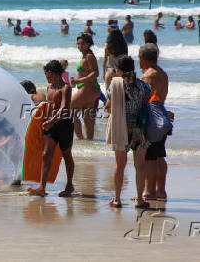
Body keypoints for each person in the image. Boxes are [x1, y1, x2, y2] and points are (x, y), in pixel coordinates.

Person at [105, 55, 151, 208]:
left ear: (119, 70)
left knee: (120, 165)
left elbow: (108, 104)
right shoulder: (143, 85)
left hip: (121, 127)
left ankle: (117, 199)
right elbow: (148, 98)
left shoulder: (115, 85)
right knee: (140, 165)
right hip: (138, 128)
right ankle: (139, 199)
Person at [27, 60, 75, 197]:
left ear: (52, 73)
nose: (46, 77)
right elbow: (49, 106)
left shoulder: (66, 88)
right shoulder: (49, 87)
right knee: (46, 154)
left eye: (47, 74)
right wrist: (41, 119)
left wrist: (52, 121)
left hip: (64, 125)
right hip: (50, 125)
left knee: (66, 155)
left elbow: (64, 108)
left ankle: (69, 185)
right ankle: (42, 187)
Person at [139, 43, 171, 201]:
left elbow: (143, 100)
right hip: (162, 116)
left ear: (143, 58)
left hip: (151, 119)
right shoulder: (163, 73)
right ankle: (160, 190)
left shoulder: (148, 75)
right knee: (159, 155)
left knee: (150, 157)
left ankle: (149, 191)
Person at [71, 33, 100, 140]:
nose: (79, 46)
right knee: (87, 118)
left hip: (87, 88)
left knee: (69, 111)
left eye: (82, 44)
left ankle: (80, 138)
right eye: (78, 44)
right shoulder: (86, 56)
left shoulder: (89, 56)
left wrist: (78, 80)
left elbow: (95, 73)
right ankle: (89, 142)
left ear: (88, 44)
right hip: (90, 89)